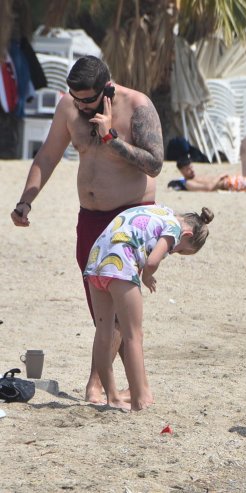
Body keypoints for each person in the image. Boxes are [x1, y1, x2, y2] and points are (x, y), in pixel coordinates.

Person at [10, 55, 164, 404]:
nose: (78, 105)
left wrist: (111, 138)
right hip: (90, 218)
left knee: (119, 306)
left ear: (107, 88)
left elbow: (155, 163)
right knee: (98, 307)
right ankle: (121, 387)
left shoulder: (138, 106)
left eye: (86, 100)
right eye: (74, 97)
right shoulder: (69, 107)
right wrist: (25, 201)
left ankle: (101, 385)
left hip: (129, 217)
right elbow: (47, 156)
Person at [84, 204, 214, 411]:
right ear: (187, 234)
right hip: (121, 266)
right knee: (133, 335)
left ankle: (112, 397)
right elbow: (152, 261)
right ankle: (138, 400)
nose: (173, 251)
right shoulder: (174, 227)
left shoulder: (161, 211)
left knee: (103, 334)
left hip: (95, 263)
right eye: (179, 249)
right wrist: (147, 275)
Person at [168, 157, 246, 193]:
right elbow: (208, 188)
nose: (191, 170)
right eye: (188, 169)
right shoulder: (189, 183)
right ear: (181, 171)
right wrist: (220, 177)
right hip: (227, 183)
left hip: (229, 181)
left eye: (191, 167)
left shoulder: (193, 178)